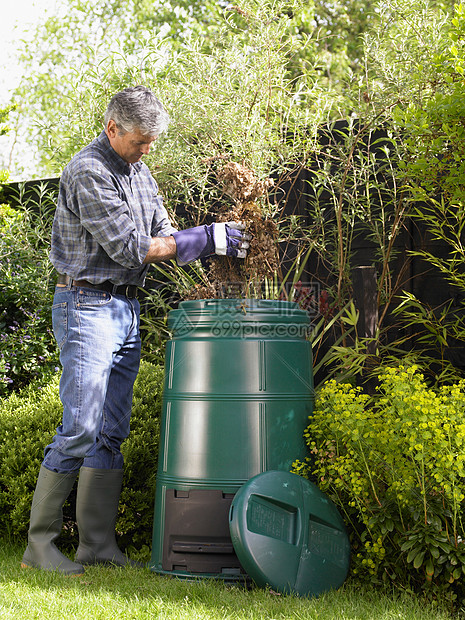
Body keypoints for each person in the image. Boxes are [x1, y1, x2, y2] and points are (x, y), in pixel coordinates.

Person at [21, 86, 251, 575]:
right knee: (81, 426)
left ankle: (96, 546)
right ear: (113, 128)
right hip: (85, 306)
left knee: (110, 430)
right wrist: (204, 239)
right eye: (140, 140)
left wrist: (188, 242)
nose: (148, 149)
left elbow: (161, 226)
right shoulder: (88, 171)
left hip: (124, 309)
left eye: (152, 141)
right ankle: (39, 546)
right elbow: (131, 248)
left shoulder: (139, 168)